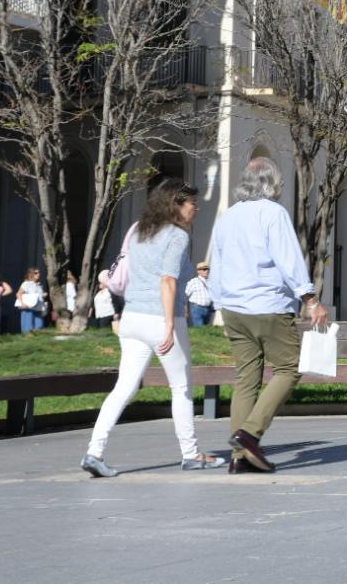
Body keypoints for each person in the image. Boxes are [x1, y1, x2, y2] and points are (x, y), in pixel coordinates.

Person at [81, 177, 224, 477]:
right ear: (176, 204)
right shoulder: (176, 236)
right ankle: (191, 453)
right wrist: (170, 324)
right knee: (181, 388)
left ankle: (94, 451)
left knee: (124, 387)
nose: (196, 208)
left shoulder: (138, 231)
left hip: (132, 317)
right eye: (192, 203)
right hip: (161, 318)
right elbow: (168, 280)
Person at [209, 157, 329, 474]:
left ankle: (239, 459)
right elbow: (288, 258)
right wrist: (311, 299)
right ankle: (249, 434)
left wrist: (219, 305)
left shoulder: (228, 216)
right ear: (271, 183)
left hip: (234, 309)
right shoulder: (273, 214)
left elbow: (215, 264)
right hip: (269, 306)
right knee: (289, 369)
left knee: (246, 379)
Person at [16, 267, 47, 334]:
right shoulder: (26, 284)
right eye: (36, 273)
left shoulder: (39, 285)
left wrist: (43, 295)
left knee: (39, 328)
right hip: (29, 308)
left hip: (38, 309)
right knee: (28, 329)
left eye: (39, 273)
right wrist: (22, 303)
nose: (38, 274)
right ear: (31, 274)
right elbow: (18, 294)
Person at [185, 261, 215, 327]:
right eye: (204, 269)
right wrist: (186, 310)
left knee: (206, 330)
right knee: (200, 330)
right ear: (198, 271)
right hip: (197, 309)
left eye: (208, 269)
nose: (206, 271)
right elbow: (185, 296)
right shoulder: (193, 282)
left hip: (208, 309)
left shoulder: (210, 282)